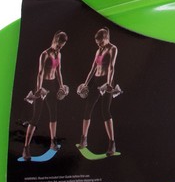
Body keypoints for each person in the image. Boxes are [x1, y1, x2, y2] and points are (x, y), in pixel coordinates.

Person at [22, 31, 69, 160]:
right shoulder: (45, 54)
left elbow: (58, 71)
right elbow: (40, 73)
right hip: (42, 86)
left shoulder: (59, 54)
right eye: (59, 44)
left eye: (62, 46)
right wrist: (38, 89)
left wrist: (61, 86)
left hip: (52, 86)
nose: (59, 47)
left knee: (53, 115)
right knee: (35, 117)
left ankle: (53, 142)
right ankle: (26, 148)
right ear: (55, 40)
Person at [77, 28, 120, 155]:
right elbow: (93, 68)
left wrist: (109, 83)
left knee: (105, 111)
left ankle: (112, 144)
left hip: (106, 81)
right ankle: (84, 139)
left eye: (101, 43)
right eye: (97, 43)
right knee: (87, 108)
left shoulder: (112, 48)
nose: (99, 45)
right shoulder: (98, 50)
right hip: (96, 81)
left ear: (106, 38)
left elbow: (111, 67)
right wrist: (85, 84)